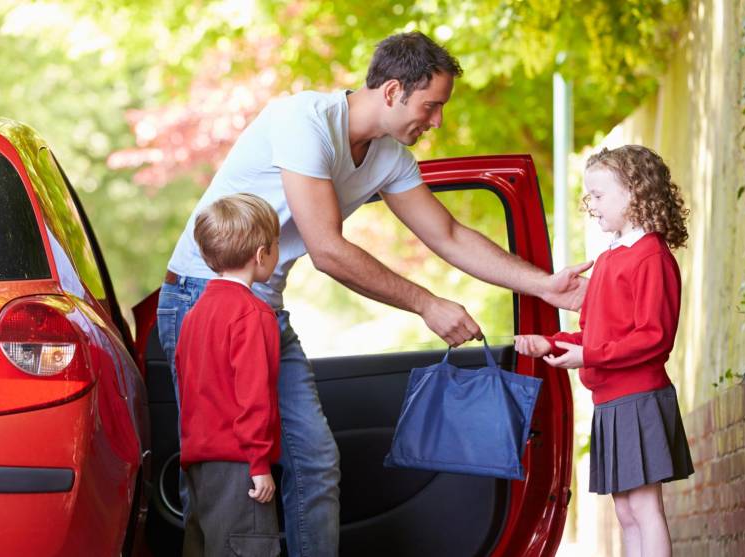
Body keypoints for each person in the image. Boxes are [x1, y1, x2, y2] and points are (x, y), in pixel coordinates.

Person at [158, 31, 591, 557]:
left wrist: (544, 284)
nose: (436, 122)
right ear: (391, 92)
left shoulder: (388, 157)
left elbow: (448, 236)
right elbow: (327, 249)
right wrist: (428, 304)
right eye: (431, 106)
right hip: (205, 301)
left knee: (315, 460)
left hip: (264, 306)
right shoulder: (305, 122)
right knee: (221, 471)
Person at [514, 145, 694, 557]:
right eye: (588, 196)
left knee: (646, 508)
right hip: (611, 400)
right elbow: (596, 334)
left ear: (634, 193)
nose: (589, 205)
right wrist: (553, 343)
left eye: (598, 195)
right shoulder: (610, 258)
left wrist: (588, 357)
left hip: (639, 397)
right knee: (627, 512)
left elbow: (653, 337)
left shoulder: (650, 256)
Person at [175, 193, 283, 557]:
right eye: (277, 244)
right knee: (247, 546)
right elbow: (255, 396)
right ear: (260, 254)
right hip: (240, 466)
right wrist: (259, 463)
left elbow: (189, 387)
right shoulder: (252, 314)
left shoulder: (195, 315)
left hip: (199, 462)